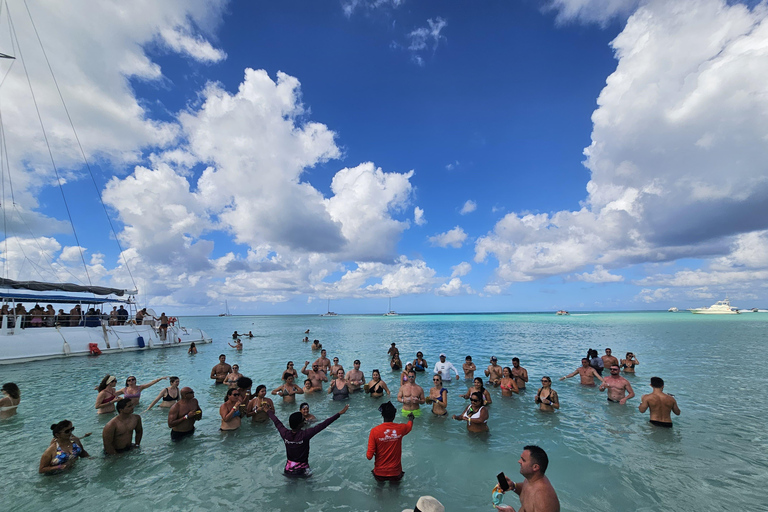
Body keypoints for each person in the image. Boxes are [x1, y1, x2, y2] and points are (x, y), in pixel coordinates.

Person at [265, 403, 349, 477]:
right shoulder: (305, 434)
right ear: (300, 424)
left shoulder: (285, 434)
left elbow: (276, 421)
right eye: (303, 419)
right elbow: (323, 424)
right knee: (310, 487)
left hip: (288, 469)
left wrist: (268, 411)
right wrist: (339, 413)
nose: (305, 420)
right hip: (303, 469)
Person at [496, 445, 560, 512]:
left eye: (523, 460)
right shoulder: (531, 480)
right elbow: (527, 494)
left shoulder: (543, 499)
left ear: (535, 467)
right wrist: (513, 486)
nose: (519, 461)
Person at [367, 401, 414, 481]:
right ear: (394, 415)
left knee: (379, 488)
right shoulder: (400, 428)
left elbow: (369, 456)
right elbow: (409, 426)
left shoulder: (374, 431)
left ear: (382, 415)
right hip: (395, 472)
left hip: (380, 472)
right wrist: (411, 418)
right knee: (395, 488)